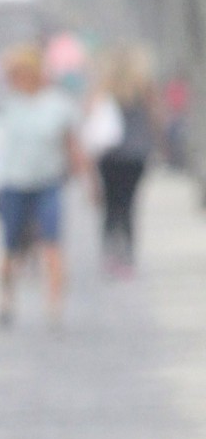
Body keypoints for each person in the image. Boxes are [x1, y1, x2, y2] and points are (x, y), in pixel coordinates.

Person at [0, 45, 83, 327]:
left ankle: (55, 306)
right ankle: (5, 300)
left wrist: (84, 179)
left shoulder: (58, 104)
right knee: (9, 249)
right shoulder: (7, 100)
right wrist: (0, 72)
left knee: (52, 246)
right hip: (14, 184)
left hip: (47, 183)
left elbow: (72, 144)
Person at [84, 47, 159, 274]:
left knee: (111, 204)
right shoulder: (143, 87)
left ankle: (110, 252)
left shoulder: (104, 88)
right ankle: (127, 254)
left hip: (110, 155)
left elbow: (90, 117)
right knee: (129, 204)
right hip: (136, 155)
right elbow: (156, 117)